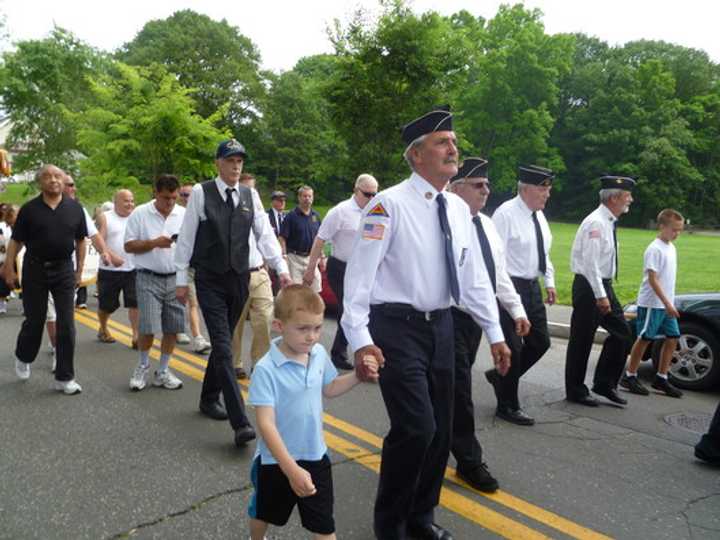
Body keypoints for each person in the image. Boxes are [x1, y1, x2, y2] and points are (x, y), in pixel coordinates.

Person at [342, 106, 511, 540]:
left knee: (441, 431)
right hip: (396, 327)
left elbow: (472, 279)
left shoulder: (457, 208)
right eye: (442, 142)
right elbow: (359, 281)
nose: (453, 148)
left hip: (443, 327)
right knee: (416, 428)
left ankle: (421, 519)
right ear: (416, 155)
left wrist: (495, 332)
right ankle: (391, 526)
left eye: (454, 141)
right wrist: (360, 341)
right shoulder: (387, 205)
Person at [175, 138, 291, 448]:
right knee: (225, 347)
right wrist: (181, 279)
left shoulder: (249, 195)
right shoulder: (201, 193)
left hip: (240, 278)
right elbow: (186, 238)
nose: (236, 166)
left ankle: (208, 397)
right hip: (210, 278)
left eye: (240, 160)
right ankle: (241, 423)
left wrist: (281, 269)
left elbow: (264, 235)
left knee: (223, 343)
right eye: (230, 160)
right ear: (218, 163)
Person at [248, 285, 379, 540]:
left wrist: (357, 375)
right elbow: (266, 425)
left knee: (324, 525)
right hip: (275, 462)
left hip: (316, 456)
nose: (312, 336)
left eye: (317, 328)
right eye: (303, 329)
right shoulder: (265, 369)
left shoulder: (317, 354)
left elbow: (329, 387)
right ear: (279, 325)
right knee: (264, 512)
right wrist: (291, 469)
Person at [448, 158, 530, 491]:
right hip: (447, 317)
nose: (486, 190)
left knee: (447, 390)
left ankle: (428, 439)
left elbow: (496, 275)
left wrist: (516, 309)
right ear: (457, 188)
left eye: (487, 184)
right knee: (458, 391)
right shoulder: (448, 223)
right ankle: (468, 460)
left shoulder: (488, 225)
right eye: (478, 185)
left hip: (474, 321)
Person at [3, 165, 87, 394]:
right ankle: (23, 355)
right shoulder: (30, 210)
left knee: (67, 324)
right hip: (35, 269)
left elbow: (81, 241)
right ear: (40, 182)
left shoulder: (75, 209)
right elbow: (16, 241)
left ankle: (64, 377)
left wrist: (80, 271)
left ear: (64, 180)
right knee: (35, 320)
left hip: (64, 270)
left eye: (57, 176)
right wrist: (8, 268)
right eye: (48, 177)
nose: (53, 180)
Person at [489, 165, 555, 425]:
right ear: (525, 188)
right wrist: (506, 296)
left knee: (541, 342)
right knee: (514, 349)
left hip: (532, 287)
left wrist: (549, 281)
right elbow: (495, 259)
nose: (547, 193)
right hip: (509, 287)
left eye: (548, 188)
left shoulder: (538, 215)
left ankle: (501, 377)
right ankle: (507, 405)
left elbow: (543, 251)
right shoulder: (505, 214)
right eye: (543, 188)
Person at [565, 175, 636, 406]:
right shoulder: (596, 223)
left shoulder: (607, 221)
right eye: (627, 196)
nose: (631, 200)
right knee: (582, 340)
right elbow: (590, 263)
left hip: (601, 285)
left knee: (623, 332)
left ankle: (604, 384)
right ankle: (576, 390)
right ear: (614, 198)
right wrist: (600, 295)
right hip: (590, 286)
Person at [302, 174, 379, 371]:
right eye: (367, 194)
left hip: (363, 268)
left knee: (365, 310)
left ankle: (358, 351)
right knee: (349, 308)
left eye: (374, 194)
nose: (371, 199)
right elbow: (320, 240)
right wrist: (311, 269)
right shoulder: (341, 211)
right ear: (356, 190)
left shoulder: (377, 212)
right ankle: (340, 353)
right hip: (340, 266)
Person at [124, 174, 186, 392]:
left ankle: (163, 370)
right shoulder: (140, 213)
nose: (169, 202)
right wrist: (153, 243)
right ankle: (142, 365)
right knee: (148, 327)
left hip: (176, 277)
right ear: (155, 194)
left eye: (173, 198)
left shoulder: (183, 214)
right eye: (165, 197)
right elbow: (129, 246)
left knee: (173, 327)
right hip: (148, 276)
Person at [621, 209, 685, 398]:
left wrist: (669, 302)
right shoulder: (654, 249)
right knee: (645, 337)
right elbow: (653, 279)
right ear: (662, 227)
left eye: (680, 230)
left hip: (665, 304)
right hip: (652, 303)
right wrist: (667, 303)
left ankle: (661, 378)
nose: (677, 234)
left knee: (673, 337)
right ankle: (629, 375)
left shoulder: (671, 247)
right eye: (674, 230)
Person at [231, 173, 286, 379]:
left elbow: (267, 238)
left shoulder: (258, 212)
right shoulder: (228, 211)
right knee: (235, 323)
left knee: (264, 319)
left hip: (259, 272)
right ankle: (235, 362)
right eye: (246, 189)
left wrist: (281, 268)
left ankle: (260, 362)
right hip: (235, 276)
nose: (250, 194)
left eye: (253, 190)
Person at [94, 189, 139, 347]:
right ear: (116, 202)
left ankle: (136, 336)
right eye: (126, 200)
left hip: (133, 268)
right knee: (107, 305)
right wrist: (111, 256)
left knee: (135, 303)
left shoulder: (137, 217)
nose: (130, 204)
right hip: (110, 270)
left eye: (132, 200)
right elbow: (97, 240)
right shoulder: (106, 217)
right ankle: (103, 328)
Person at [174, 182, 212, 353]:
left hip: (197, 265)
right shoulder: (174, 214)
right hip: (175, 265)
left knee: (193, 302)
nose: (185, 198)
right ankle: (181, 330)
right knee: (180, 301)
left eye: (188, 195)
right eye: (182, 194)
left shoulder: (201, 212)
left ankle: (197, 337)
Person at [279, 185, 322, 292]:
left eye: (309, 196)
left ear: (313, 198)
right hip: (294, 258)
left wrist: (322, 256)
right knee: (295, 291)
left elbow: (320, 238)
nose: (307, 198)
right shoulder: (291, 216)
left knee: (315, 290)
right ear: (299, 198)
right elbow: (282, 238)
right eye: (304, 196)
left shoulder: (315, 216)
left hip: (311, 258)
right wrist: (284, 255)